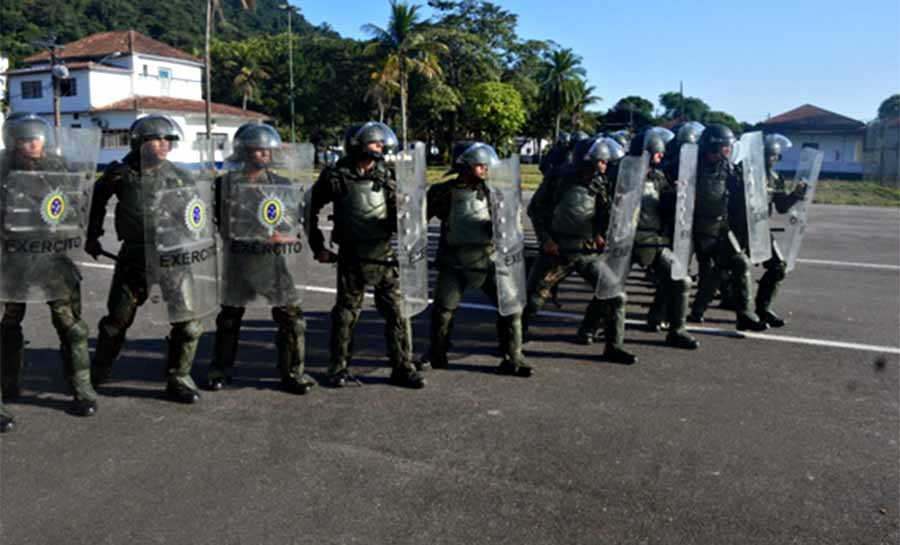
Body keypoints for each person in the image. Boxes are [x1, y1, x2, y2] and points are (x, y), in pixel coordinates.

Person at [85, 114, 206, 403]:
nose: (164, 145)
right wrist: (93, 235)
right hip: (133, 259)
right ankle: (98, 372)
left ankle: (179, 377)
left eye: (168, 140)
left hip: (173, 258)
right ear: (140, 141)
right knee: (115, 322)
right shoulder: (120, 174)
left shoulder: (179, 176)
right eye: (158, 139)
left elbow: (198, 214)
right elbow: (95, 201)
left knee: (188, 323)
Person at [307, 122, 425, 389]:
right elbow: (308, 210)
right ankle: (338, 369)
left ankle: (402, 367)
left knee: (397, 313)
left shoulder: (387, 176)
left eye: (381, 143)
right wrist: (319, 247)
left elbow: (404, 216)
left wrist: (405, 215)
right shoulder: (335, 177)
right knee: (346, 315)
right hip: (351, 257)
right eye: (375, 143)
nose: (380, 147)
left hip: (383, 255)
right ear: (358, 145)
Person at [1, 113, 99, 421]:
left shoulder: (57, 167)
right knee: (6, 328)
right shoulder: (1, 168)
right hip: (10, 259)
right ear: (13, 141)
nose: (34, 145)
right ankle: (6, 386)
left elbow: (74, 204)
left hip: (52, 256)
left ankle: (82, 389)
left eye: (38, 138)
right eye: (26, 140)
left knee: (72, 327)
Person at [205, 123, 317, 393]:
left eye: (267, 149)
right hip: (238, 257)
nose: (264, 154)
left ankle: (293, 372)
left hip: (272, 258)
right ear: (244, 151)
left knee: (291, 316)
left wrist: (284, 234)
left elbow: (293, 219)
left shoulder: (282, 184)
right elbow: (213, 219)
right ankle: (220, 370)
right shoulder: (224, 184)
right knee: (230, 317)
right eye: (257, 149)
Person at [522, 136, 637, 364]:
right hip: (557, 253)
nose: (605, 166)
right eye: (602, 161)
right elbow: (535, 210)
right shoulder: (558, 179)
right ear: (588, 160)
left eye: (606, 162)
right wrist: (545, 240)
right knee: (533, 301)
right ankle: (512, 341)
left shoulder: (601, 184)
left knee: (615, 295)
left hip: (586, 253)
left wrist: (600, 234)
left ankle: (614, 346)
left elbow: (604, 215)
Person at [424, 142, 531, 376]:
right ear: (464, 165)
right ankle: (437, 353)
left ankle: (514, 357)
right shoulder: (442, 192)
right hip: (454, 261)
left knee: (511, 308)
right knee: (443, 310)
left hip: (487, 259)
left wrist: (501, 227)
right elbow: (418, 219)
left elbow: (509, 225)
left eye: (485, 165)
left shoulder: (494, 193)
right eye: (479, 165)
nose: (484, 169)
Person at [687, 125, 768, 331]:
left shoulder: (728, 168)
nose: (726, 152)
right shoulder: (690, 167)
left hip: (722, 225)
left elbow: (739, 196)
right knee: (730, 264)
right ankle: (742, 313)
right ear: (711, 147)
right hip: (698, 227)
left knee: (728, 265)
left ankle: (709, 311)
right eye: (723, 148)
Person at [629, 128, 698, 349]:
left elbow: (665, 206)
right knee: (610, 288)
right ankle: (590, 327)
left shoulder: (659, 177)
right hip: (627, 241)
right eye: (658, 152)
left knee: (680, 279)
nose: (662, 156)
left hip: (653, 240)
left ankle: (676, 330)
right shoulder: (622, 174)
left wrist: (678, 194)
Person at [754, 133, 806, 327]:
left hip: (760, 230)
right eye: (770, 156)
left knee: (778, 267)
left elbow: (782, 206)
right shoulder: (744, 175)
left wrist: (796, 194)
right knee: (723, 269)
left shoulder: (775, 179)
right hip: (740, 229)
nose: (773, 160)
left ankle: (762, 309)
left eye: (775, 156)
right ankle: (697, 309)